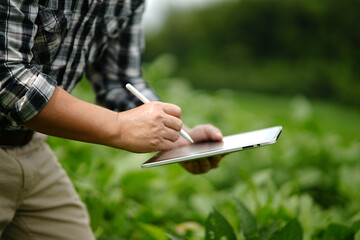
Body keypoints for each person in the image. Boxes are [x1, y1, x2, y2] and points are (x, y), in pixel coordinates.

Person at [0, 0, 223, 239]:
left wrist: (176, 137)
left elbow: (119, 78)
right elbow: (8, 76)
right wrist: (118, 126)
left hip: (31, 146)